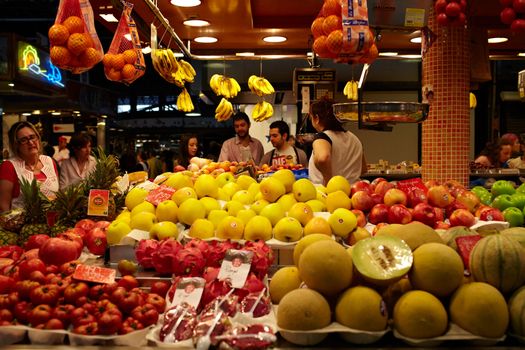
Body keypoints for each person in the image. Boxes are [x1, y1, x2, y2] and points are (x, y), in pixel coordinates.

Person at [0, 121, 59, 211]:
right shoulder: (8, 166)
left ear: (38, 138)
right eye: (24, 140)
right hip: (20, 223)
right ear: (16, 145)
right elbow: (3, 205)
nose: (31, 142)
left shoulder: (49, 161)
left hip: (53, 221)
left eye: (32, 137)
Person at [308, 97, 366, 185]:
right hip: (353, 193)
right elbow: (363, 169)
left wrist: (329, 182)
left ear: (316, 118)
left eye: (311, 117)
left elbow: (322, 158)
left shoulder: (322, 137)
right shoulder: (355, 138)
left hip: (328, 195)